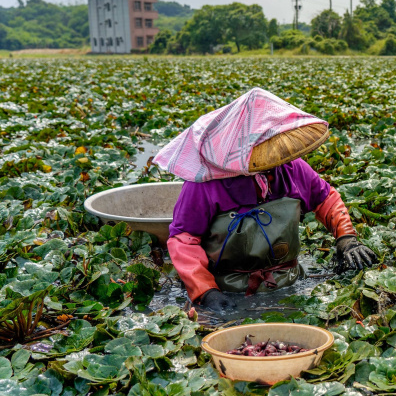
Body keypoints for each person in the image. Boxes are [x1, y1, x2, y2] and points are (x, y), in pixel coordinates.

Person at [154, 88, 377, 311]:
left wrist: (346, 238)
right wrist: (206, 292)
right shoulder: (203, 184)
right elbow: (183, 240)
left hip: (287, 280)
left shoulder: (291, 168)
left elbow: (326, 198)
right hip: (228, 290)